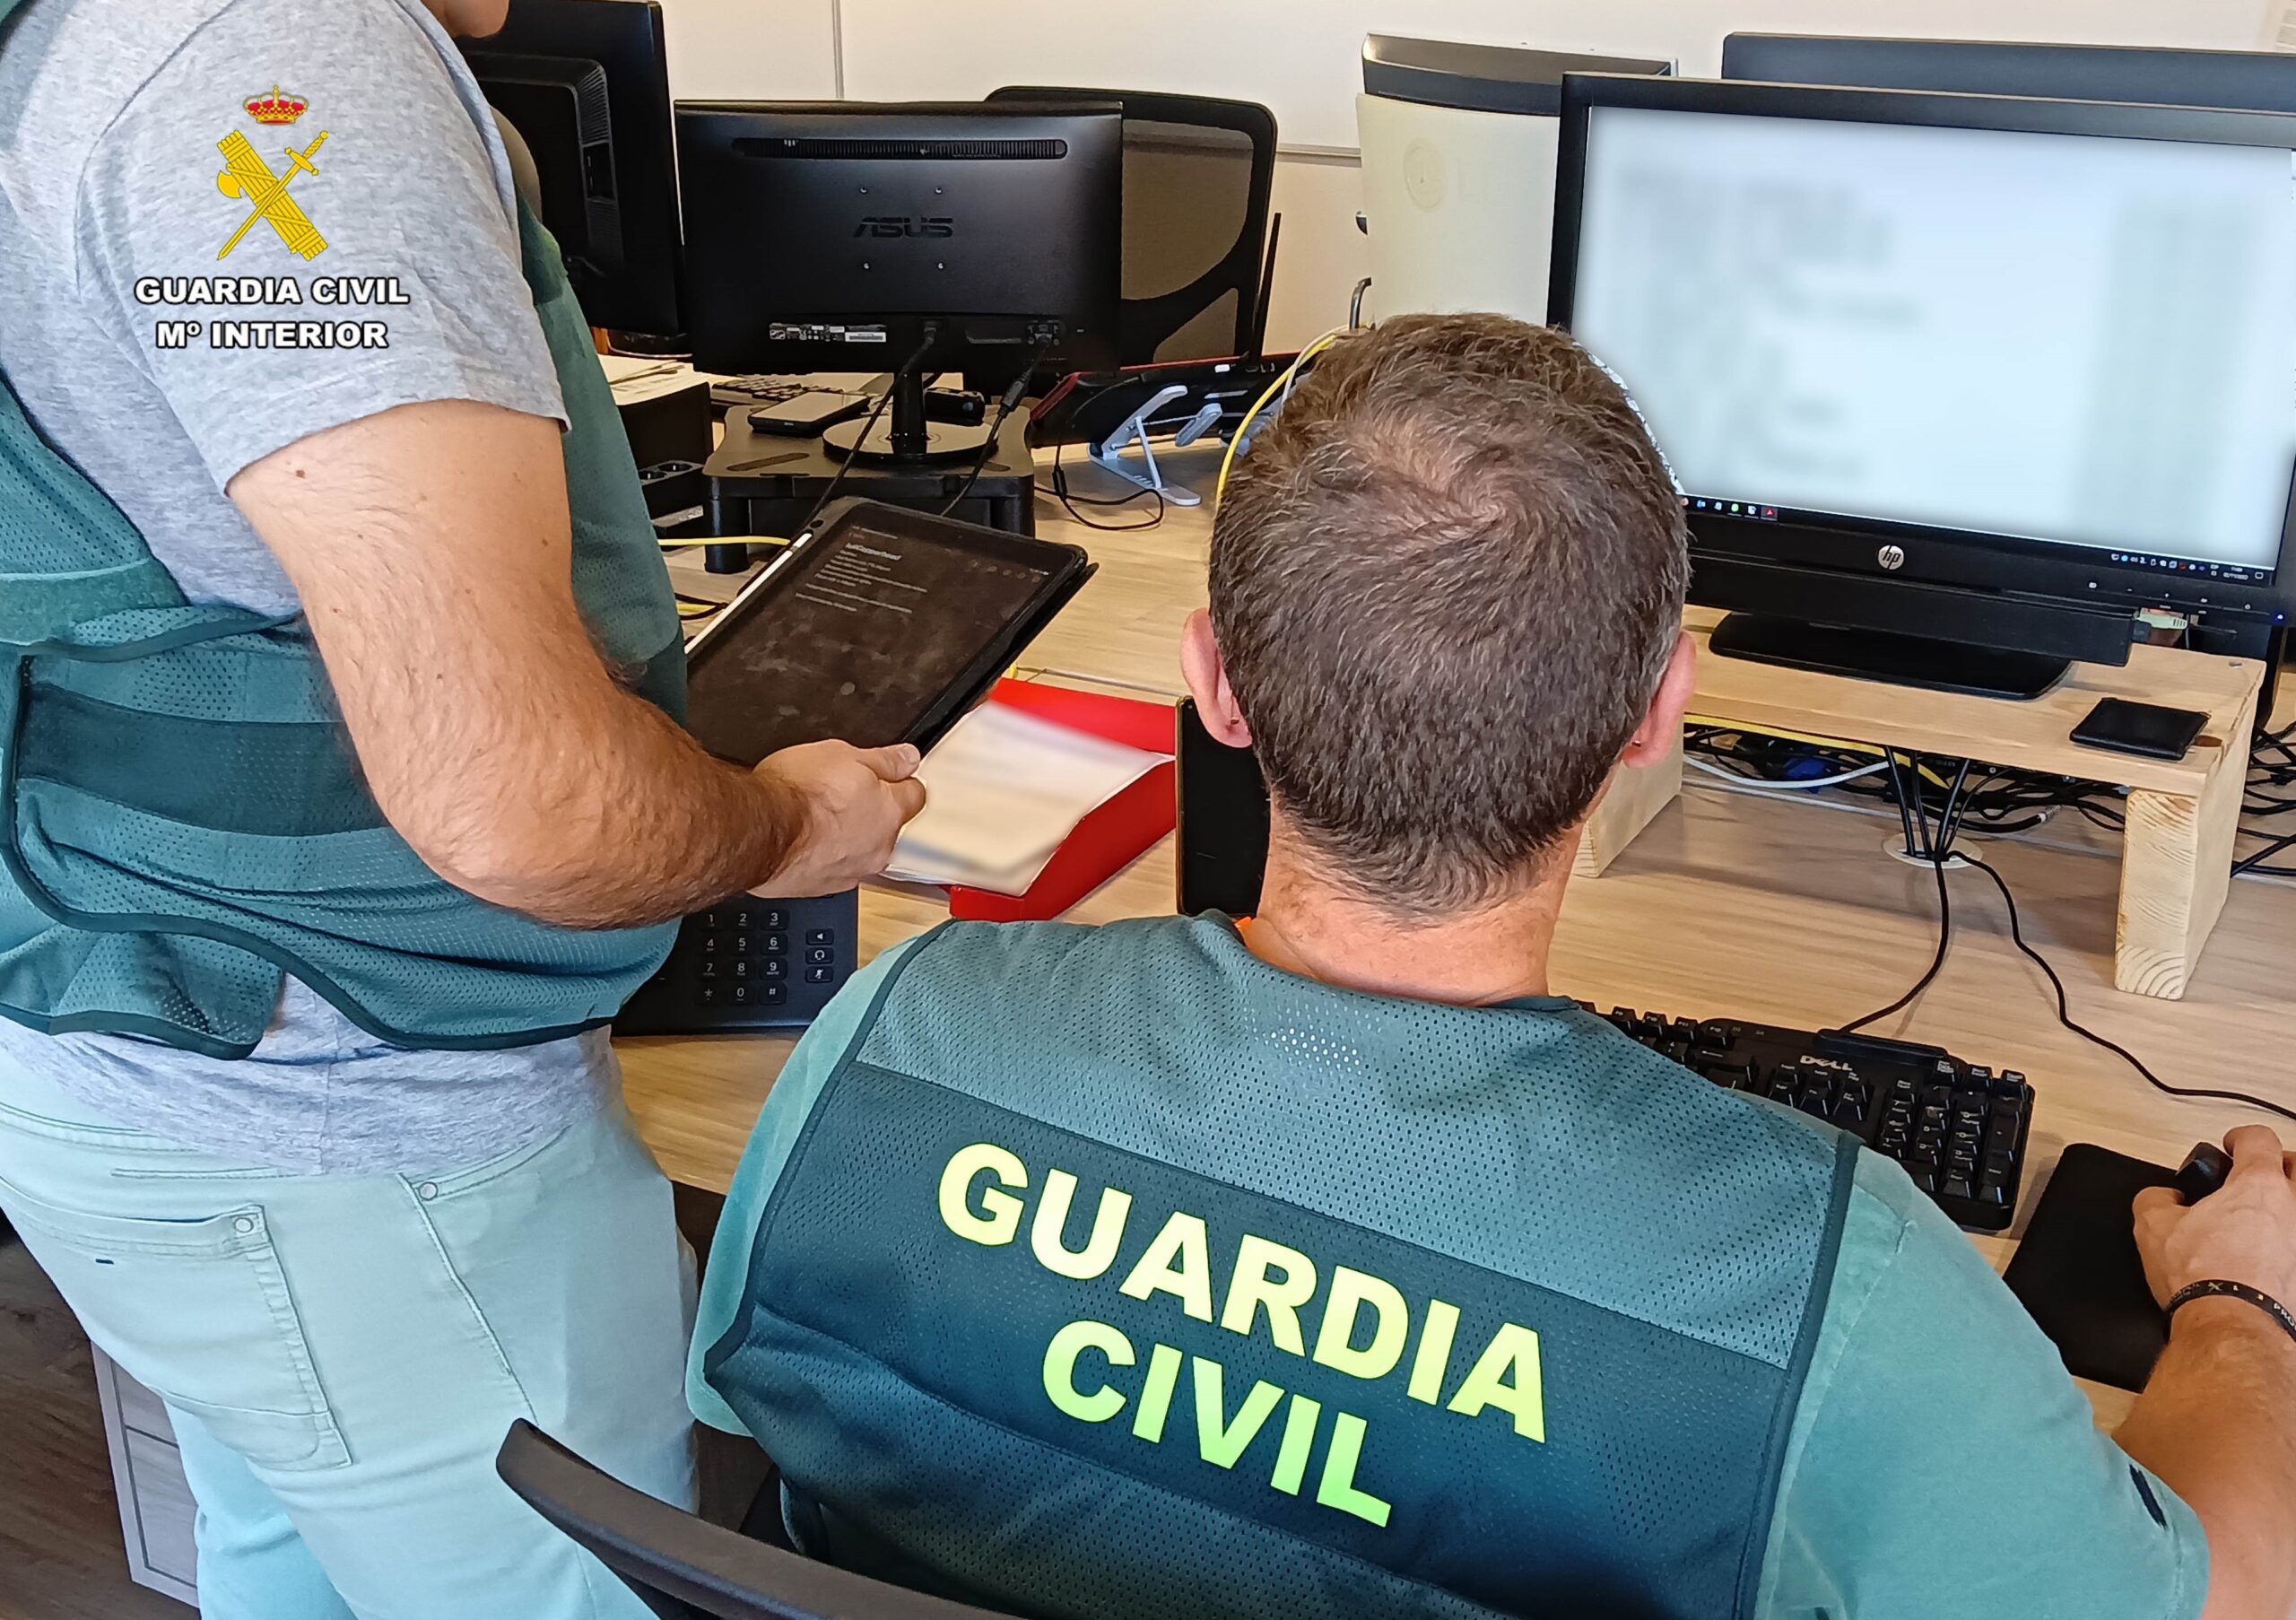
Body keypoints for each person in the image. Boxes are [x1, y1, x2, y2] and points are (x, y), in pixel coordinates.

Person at [689, 314, 2296, 1620]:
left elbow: (743, 1428)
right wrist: (2240, 1305)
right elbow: (2223, 1594)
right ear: (1657, 713)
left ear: (1215, 691)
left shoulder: (891, 1030)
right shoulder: (1838, 1290)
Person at [0, 0, 923, 1616]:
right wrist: (785, 828)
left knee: (286, 1547)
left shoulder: (74, 40)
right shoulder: (275, 61)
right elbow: (519, 801)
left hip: (123, 1045)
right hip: (354, 1128)